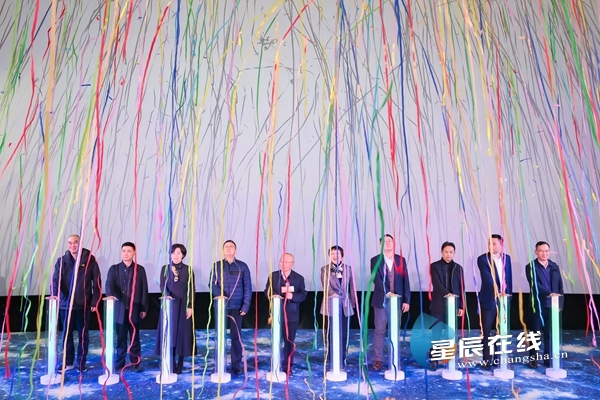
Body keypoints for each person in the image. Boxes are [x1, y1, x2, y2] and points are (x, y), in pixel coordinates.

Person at [52, 234, 102, 373]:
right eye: (70, 243)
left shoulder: (90, 259)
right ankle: (68, 362)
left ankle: (81, 363)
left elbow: (97, 281)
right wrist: (55, 294)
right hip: (65, 305)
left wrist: (95, 301)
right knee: (66, 335)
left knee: (83, 335)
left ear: (80, 243)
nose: (72, 245)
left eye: (75, 242)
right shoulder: (61, 261)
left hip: (83, 304)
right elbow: (55, 280)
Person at [210, 240, 252, 375]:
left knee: (236, 337)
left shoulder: (242, 266)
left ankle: (236, 365)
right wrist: (220, 295)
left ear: (235, 250)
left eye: (231, 246)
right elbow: (212, 283)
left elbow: (248, 287)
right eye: (226, 247)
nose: (228, 248)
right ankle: (219, 364)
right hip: (220, 306)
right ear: (223, 250)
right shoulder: (217, 265)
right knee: (220, 336)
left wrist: (245, 305)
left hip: (237, 306)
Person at [105, 242, 149, 372]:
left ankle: (135, 362)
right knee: (121, 338)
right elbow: (109, 284)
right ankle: (120, 363)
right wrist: (110, 295)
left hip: (135, 308)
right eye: (123, 251)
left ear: (134, 253)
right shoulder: (114, 269)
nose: (126, 253)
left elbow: (144, 289)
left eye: (129, 251)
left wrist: (144, 308)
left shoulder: (139, 269)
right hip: (119, 309)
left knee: (135, 337)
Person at [370, 234, 411, 372]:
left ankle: (395, 358)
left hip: (397, 302)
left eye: (389, 241)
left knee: (395, 331)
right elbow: (376, 279)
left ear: (393, 243)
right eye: (384, 241)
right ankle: (378, 360)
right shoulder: (375, 260)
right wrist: (387, 292)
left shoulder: (400, 260)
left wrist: (406, 300)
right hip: (381, 300)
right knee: (379, 330)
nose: (387, 243)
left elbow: (405, 281)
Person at [154, 243, 196, 374]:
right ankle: (170, 361)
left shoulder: (188, 269)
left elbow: (191, 289)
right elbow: (162, 285)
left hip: (183, 304)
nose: (176, 256)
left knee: (183, 333)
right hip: (169, 304)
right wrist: (167, 297)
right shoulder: (165, 268)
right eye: (173, 253)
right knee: (169, 333)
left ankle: (181, 362)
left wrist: (190, 306)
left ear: (183, 255)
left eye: (178, 253)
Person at [265, 253, 307, 375]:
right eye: (281, 261)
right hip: (276, 314)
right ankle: (275, 365)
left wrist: (292, 296)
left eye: (286, 262)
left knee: (289, 342)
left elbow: (303, 295)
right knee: (276, 341)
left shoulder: (299, 278)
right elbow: (267, 291)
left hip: (291, 315)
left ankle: (287, 366)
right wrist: (273, 296)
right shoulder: (273, 276)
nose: (283, 264)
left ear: (292, 264)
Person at [525, 241, 564, 369]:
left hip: (552, 306)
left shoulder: (554, 266)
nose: (544, 253)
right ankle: (533, 359)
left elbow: (560, 286)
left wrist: (560, 302)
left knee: (549, 334)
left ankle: (547, 359)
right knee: (535, 334)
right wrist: (550, 293)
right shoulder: (531, 266)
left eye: (547, 251)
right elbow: (534, 285)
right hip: (537, 306)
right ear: (536, 252)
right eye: (541, 251)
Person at [476, 234, 513, 370]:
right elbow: (487, 279)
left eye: (494, 243)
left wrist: (508, 296)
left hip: (504, 299)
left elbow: (509, 278)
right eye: (489, 243)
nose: (491, 246)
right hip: (489, 299)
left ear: (501, 244)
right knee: (486, 331)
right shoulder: (482, 259)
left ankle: (499, 359)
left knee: (501, 331)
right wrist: (498, 291)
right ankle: (487, 360)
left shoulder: (507, 258)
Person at [429, 241, 465, 369]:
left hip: (453, 306)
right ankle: (434, 358)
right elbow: (436, 283)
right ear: (441, 252)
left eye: (451, 252)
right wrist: (447, 294)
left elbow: (462, 288)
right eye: (446, 252)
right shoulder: (434, 266)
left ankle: (450, 358)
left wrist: (461, 306)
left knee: (451, 334)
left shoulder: (458, 268)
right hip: (438, 305)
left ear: (454, 253)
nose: (448, 254)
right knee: (436, 333)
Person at [320, 245, 356, 368]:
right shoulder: (325, 269)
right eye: (332, 254)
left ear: (342, 255)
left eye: (337, 253)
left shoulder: (348, 269)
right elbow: (326, 286)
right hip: (330, 305)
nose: (335, 256)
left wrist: (353, 304)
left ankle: (342, 358)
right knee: (331, 333)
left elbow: (352, 288)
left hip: (345, 306)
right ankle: (332, 358)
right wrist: (333, 294)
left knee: (344, 334)